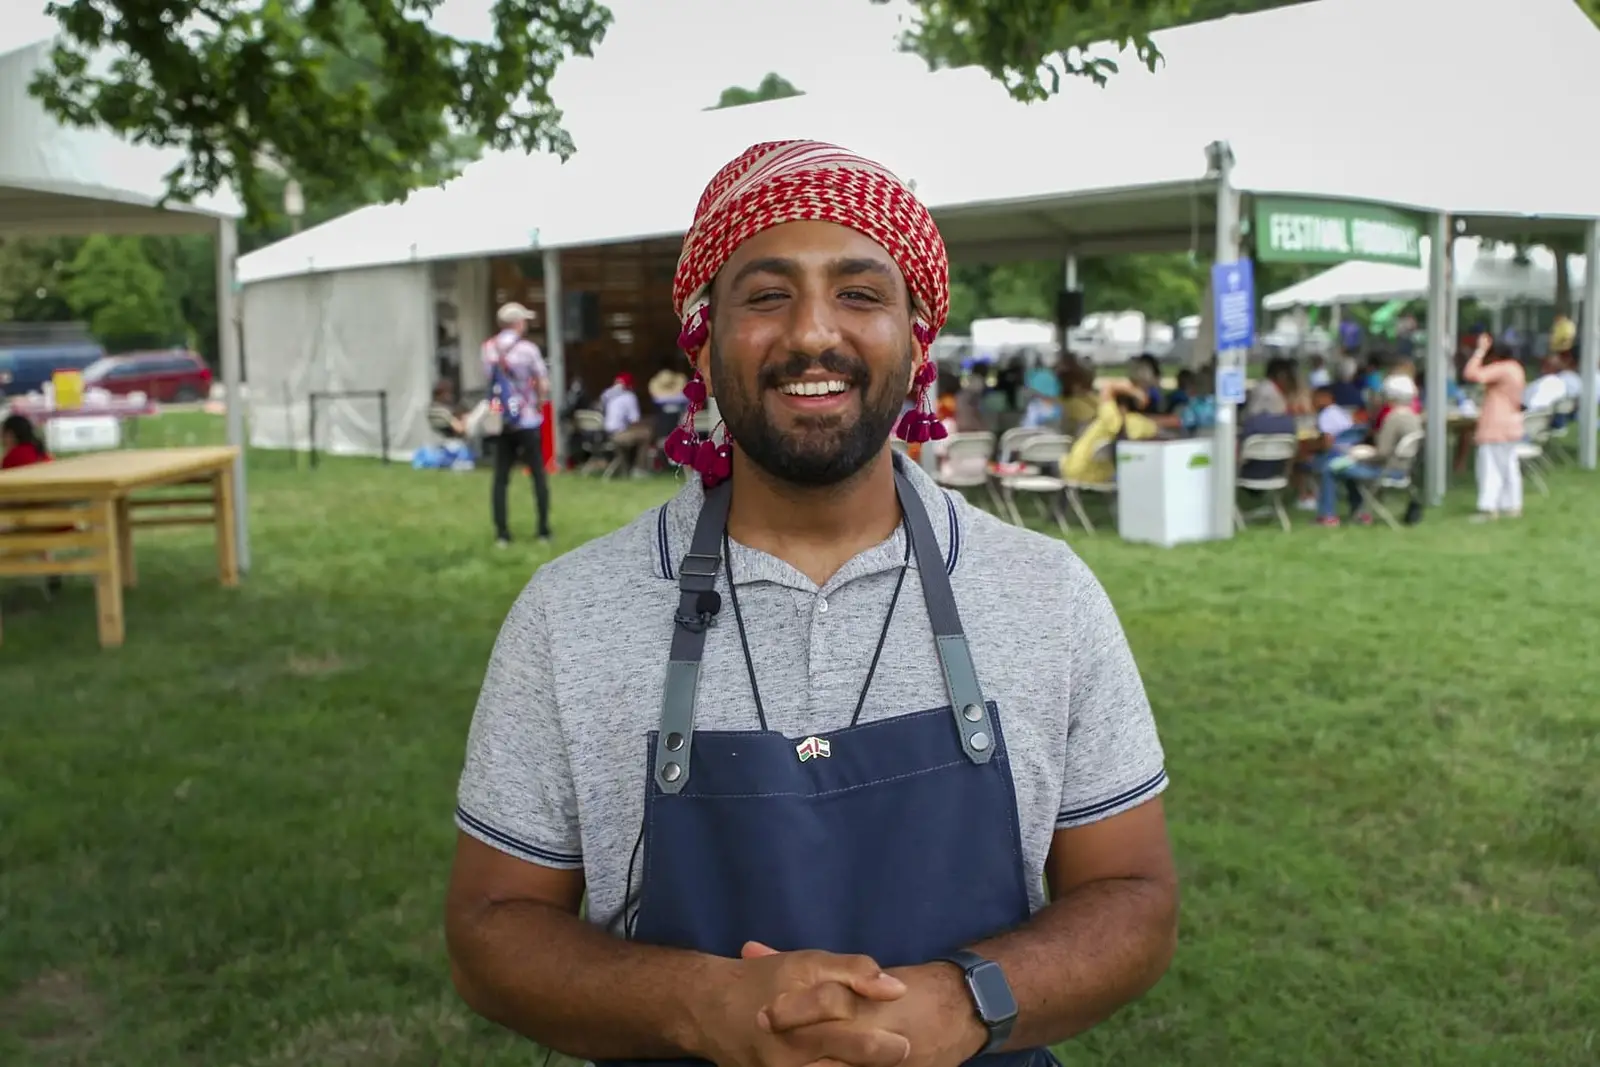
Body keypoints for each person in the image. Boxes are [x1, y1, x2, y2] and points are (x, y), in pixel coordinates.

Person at [446, 140, 1176, 1067]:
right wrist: (698, 1004)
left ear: (917, 342)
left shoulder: (1047, 596)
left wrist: (963, 999)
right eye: (766, 294)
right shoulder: (571, 613)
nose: (813, 335)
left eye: (862, 293)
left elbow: (1135, 895)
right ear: (703, 343)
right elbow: (489, 927)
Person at [482, 302, 553, 546]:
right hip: (527, 419)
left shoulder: (488, 349)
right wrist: (538, 403)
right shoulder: (529, 349)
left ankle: (502, 535)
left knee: (500, 478)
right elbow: (543, 383)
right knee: (538, 476)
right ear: (518, 323)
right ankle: (543, 530)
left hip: (501, 421)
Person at [1313, 376, 1420, 526]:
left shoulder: (1392, 419)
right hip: (1403, 468)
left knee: (1331, 468)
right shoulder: (1413, 417)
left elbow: (1382, 453)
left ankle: (1327, 516)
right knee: (1347, 466)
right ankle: (1359, 512)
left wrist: (1360, 454)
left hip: (1386, 470)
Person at [1461, 332, 1526, 521]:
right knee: (1509, 467)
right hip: (1512, 423)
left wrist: (1480, 351)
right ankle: (1512, 506)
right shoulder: (1516, 368)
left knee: (1489, 468)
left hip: (1495, 425)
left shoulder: (1502, 369)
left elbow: (1471, 374)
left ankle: (1489, 509)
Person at [1062, 378, 1158, 484]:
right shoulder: (1141, 424)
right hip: (1106, 476)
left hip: (1077, 470)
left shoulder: (1110, 417)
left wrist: (1134, 391)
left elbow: (1108, 387)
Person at [600, 372, 654, 476]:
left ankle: (627, 467)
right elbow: (634, 421)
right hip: (619, 435)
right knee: (646, 434)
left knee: (636, 434)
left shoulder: (607, 395)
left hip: (605, 434)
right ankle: (639, 469)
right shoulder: (629, 397)